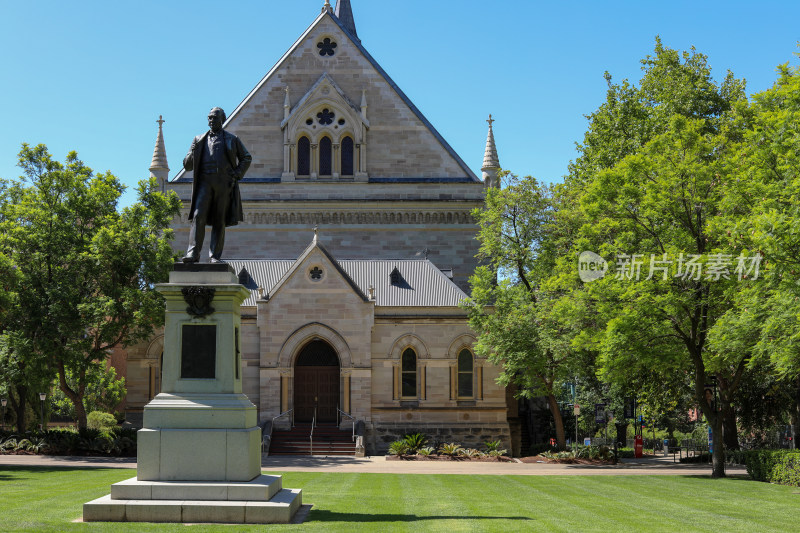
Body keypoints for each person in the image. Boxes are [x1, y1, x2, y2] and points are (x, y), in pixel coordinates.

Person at [181, 107, 252, 263]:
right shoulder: (198, 139)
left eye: (215, 118)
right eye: (210, 118)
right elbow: (187, 166)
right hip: (204, 184)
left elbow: (246, 157)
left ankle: (214, 256)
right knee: (198, 216)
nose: (211, 120)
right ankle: (193, 253)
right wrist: (192, 152)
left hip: (223, 184)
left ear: (222, 119)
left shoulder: (232, 139)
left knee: (220, 220)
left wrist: (237, 174)